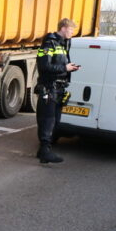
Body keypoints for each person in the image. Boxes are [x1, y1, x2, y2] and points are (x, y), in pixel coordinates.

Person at [35, 18, 81, 164]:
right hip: (49, 87)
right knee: (48, 121)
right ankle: (45, 152)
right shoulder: (49, 43)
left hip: (58, 88)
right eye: (71, 30)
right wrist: (64, 68)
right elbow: (43, 66)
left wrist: (69, 67)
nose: (72, 33)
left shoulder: (63, 43)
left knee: (54, 121)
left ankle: (43, 151)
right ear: (63, 28)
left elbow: (58, 63)